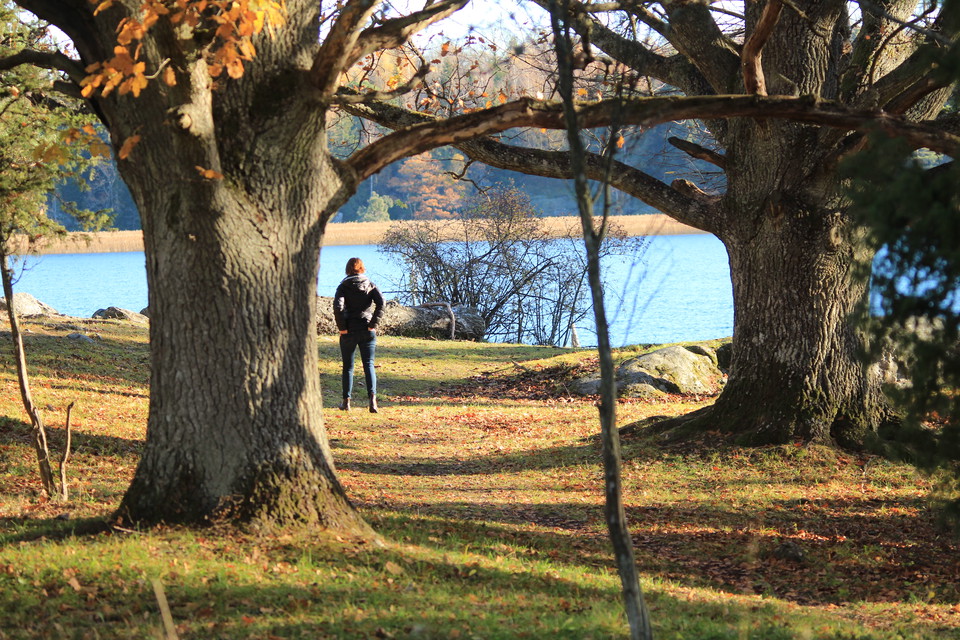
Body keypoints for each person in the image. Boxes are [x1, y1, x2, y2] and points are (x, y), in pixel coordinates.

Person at [333, 257, 385, 413]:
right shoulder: (370, 285)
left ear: (348, 270)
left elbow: (338, 307)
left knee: (348, 367)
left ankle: (346, 402)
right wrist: (373, 324)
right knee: (369, 364)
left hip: (349, 331)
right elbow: (381, 302)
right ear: (362, 268)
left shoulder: (343, 286)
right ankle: (372, 401)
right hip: (366, 329)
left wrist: (342, 328)